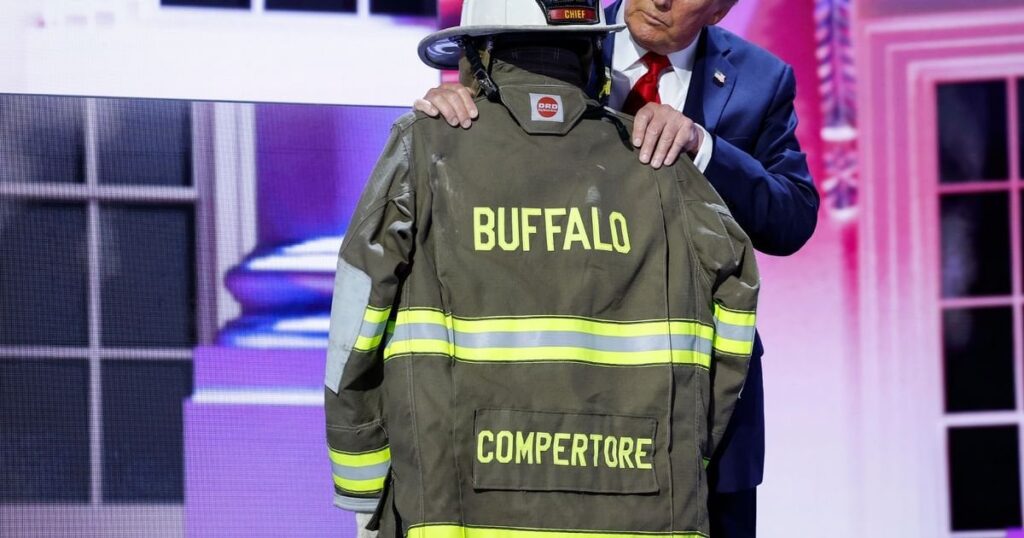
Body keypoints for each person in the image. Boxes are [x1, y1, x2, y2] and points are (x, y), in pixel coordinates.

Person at [324, 1, 761, 536]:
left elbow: (355, 323)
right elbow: (737, 315)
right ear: (590, 54)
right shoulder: (666, 165)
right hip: (641, 504)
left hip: (452, 506)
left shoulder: (425, 147)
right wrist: (683, 456)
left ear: (479, 54)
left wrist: (366, 486)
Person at [414, 1, 820, 535]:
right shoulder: (549, 30)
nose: (658, 0)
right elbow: (484, 148)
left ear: (720, 8)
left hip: (703, 403)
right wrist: (451, 109)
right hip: (559, 394)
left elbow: (791, 217)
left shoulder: (760, 80)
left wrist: (702, 148)